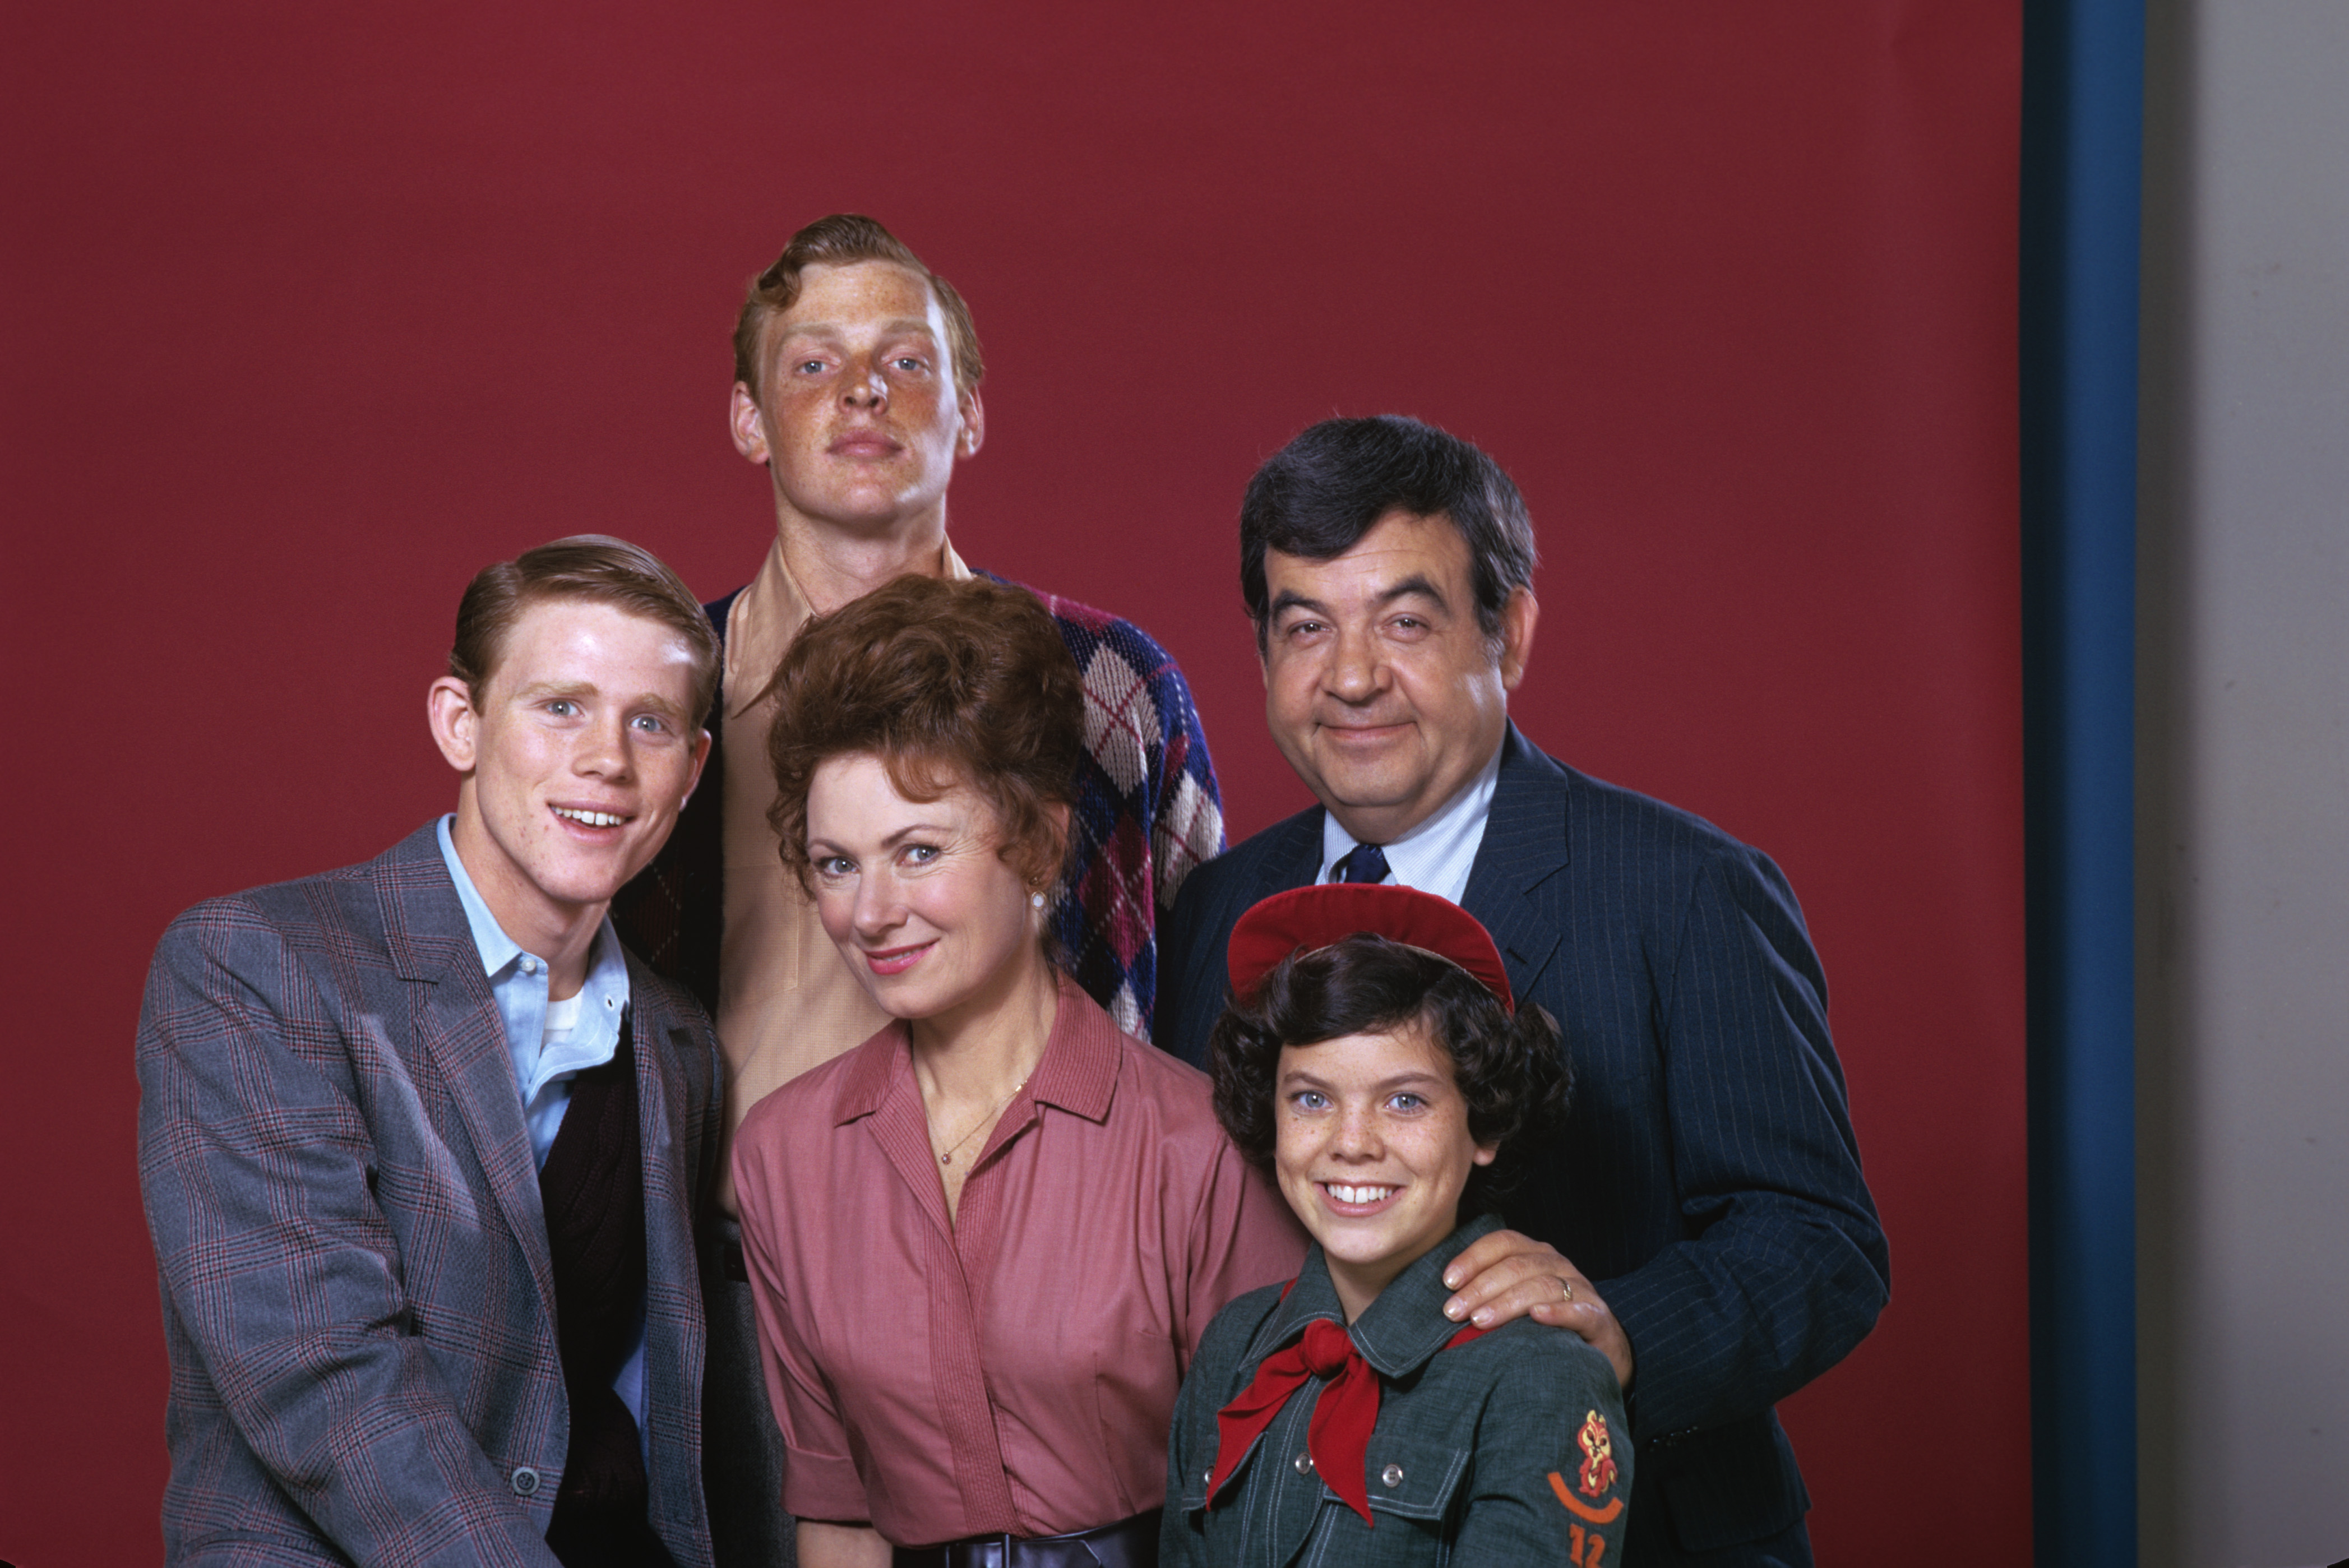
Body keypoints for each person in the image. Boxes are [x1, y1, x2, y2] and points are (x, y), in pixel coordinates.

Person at [1154, 417, 1890, 1567]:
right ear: (1261, 657)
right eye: (1307, 626)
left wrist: (1616, 1330)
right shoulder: (1218, 911)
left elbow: (1822, 1243)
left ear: (1511, 633)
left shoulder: (1686, 890)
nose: (1351, 676)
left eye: (1404, 621)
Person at [607, 216, 1226, 1561]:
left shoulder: (1105, 686)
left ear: (972, 412)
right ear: (747, 419)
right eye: (813, 363)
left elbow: (1202, 992)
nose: (863, 392)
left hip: (1073, 1317)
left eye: (905, 360)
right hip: (741, 1300)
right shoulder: (663, 704)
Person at [136, 536, 727, 1567]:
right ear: (461, 723)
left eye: (651, 722)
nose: (607, 759)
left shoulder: (682, 1044)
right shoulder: (257, 966)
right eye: (560, 707)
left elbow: (683, 1412)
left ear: (694, 767)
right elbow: (322, 1375)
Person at [728, 573, 1298, 1568]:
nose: (870, 913)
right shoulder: (783, 1153)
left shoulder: (1198, 1147)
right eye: (835, 864)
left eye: (916, 851)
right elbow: (838, 1511)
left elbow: (1278, 1506)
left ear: (1037, 844)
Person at [1163, 882, 1632, 1567]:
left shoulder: (1544, 1377)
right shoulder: (1232, 1345)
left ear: (1485, 1122)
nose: (1351, 1142)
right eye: (1312, 1097)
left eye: (1405, 1100)